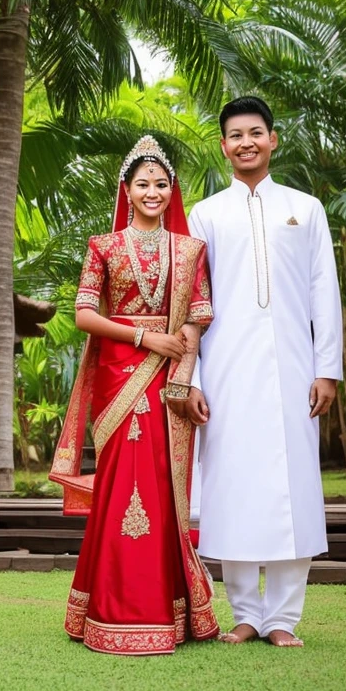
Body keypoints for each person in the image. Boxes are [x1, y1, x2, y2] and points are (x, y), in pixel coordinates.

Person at [50, 135, 219, 655]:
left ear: (172, 191)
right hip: (119, 377)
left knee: (165, 486)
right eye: (142, 184)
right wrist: (146, 337)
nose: (152, 191)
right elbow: (83, 315)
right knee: (121, 484)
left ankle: (168, 611)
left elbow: (199, 313)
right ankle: (107, 611)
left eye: (160, 184)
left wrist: (182, 362)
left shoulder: (191, 250)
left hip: (168, 378)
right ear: (126, 190)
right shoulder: (103, 246)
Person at [187, 96, 343, 648]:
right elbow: (192, 304)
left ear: (273, 139)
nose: (246, 142)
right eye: (235, 135)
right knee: (231, 486)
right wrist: (195, 380)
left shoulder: (307, 208)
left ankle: (283, 619)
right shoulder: (204, 215)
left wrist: (327, 369)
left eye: (256, 132)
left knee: (291, 487)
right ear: (224, 145)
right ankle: (245, 613)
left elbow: (324, 291)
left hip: (295, 368)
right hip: (224, 370)